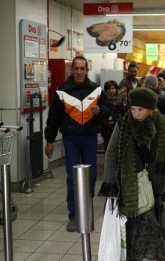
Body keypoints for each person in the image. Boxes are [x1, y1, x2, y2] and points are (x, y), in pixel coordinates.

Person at [98, 87, 165, 261]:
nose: (136, 114)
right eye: (133, 109)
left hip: (159, 184)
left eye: (141, 109)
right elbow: (111, 155)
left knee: (160, 227)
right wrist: (111, 185)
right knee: (134, 228)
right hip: (132, 185)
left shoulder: (164, 123)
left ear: (151, 109)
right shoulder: (123, 126)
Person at [44, 56, 110, 232]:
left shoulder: (96, 90)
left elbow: (108, 110)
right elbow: (53, 119)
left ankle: (85, 208)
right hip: (70, 139)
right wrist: (49, 141)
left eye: (83, 68)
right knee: (73, 178)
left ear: (87, 70)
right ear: (71, 70)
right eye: (76, 68)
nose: (79, 72)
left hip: (89, 139)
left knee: (92, 176)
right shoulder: (62, 91)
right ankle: (73, 216)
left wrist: (100, 110)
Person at [101, 80, 127, 150]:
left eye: (113, 88)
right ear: (106, 90)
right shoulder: (102, 100)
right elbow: (100, 115)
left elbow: (123, 114)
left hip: (117, 127)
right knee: (108, 148)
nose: (111, 91)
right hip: (106, 129)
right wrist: (106, 123)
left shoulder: (120, 100)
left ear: (116, 89)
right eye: (109, 89)